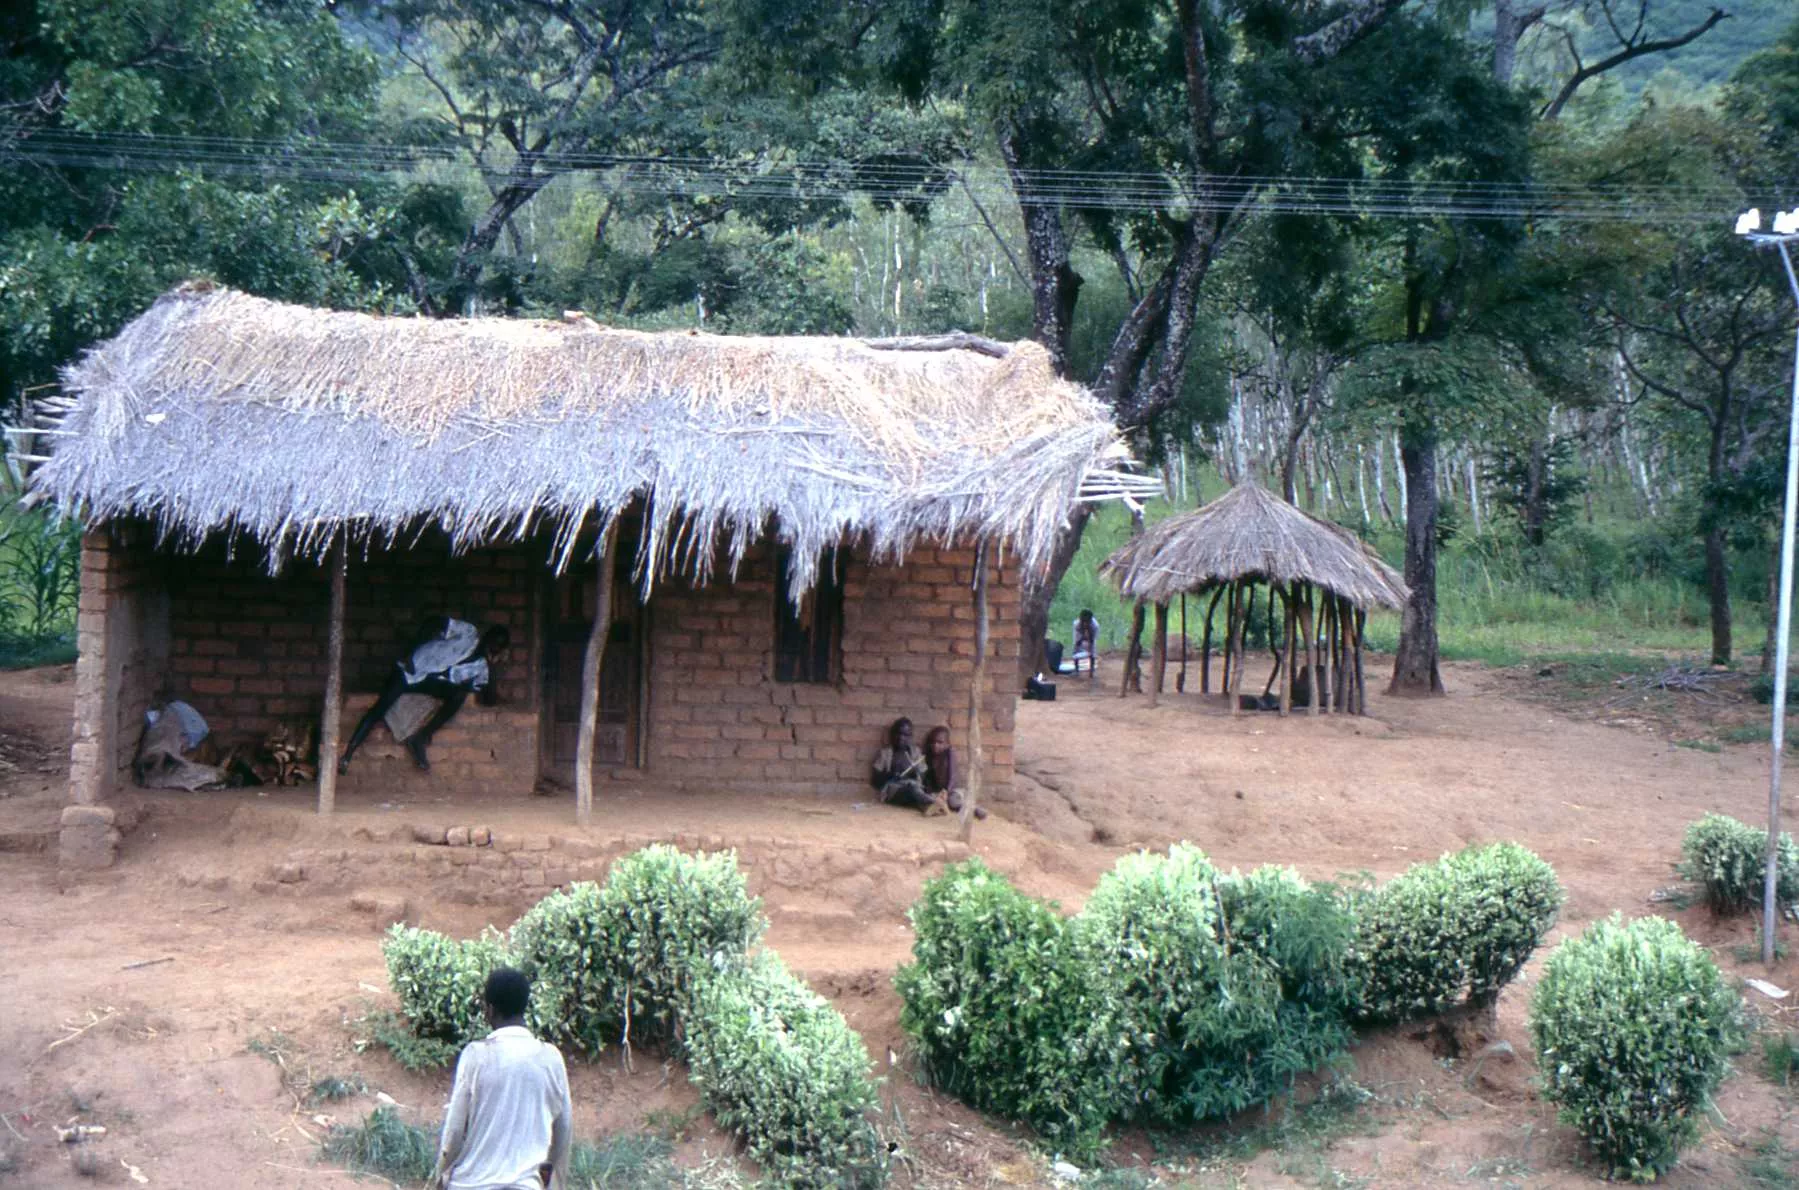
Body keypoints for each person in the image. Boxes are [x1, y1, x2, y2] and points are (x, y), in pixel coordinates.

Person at [432, 967, 572, 1190]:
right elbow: (563, 1130)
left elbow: (455, 1132)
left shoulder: (476, 1056)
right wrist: (555, 1184)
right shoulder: (551, 1059)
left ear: (490, 1009)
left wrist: (441, 1176)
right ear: (525, 1007)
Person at [340, 617, 510, 774]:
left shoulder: (481, 668)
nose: (492, 648)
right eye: (493, 643)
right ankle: (348, 754)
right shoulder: (468, 633)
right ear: (487, 637)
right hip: (411, 670)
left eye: (497, 647)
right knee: (380, 708)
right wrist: (411, 652)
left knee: (459, 695)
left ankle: (421, 738)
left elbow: (487, 697)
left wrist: (492, 666)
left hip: (431, 683)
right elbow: (432, 621)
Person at [870, 717, 946, 816]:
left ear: (910, 737)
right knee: (912, 789)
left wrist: (916, 773)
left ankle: (930, 807)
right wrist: (891, 775)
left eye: (905, 735)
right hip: (894, 791)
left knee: (914, 791)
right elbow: (875, 780)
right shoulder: (886, 753)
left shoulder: (915, 752)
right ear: (892, 735)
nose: (901, 738)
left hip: (914, 788)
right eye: (898, 733)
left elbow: (924, 775)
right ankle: (934, 802)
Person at [921, 724, 987, 821]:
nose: (935, 745)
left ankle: (975, 809)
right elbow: (928, 778)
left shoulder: (949, 754)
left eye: (940, 742)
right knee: (929, 799)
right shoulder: (929, 757)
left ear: (947, 744)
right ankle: (940, 807)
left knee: (953, 802)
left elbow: (953, 775)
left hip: (953, 790)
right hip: (939, 792)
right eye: (933, 742)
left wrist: (946, 791)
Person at [1071, 609, 1100, 676]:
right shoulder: (1076, 624)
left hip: (1091, 634)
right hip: (1080, 633)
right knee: (1076, 649)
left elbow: (1092, 640)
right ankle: (1076, 670)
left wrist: (1088, 640)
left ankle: (1091, 671)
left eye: (1087, 621)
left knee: (1092, 651)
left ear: (1090, 620)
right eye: (1083, 621)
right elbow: (1077, 639)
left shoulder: (1095, 626)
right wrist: (1080, 640)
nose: (1085, 623)